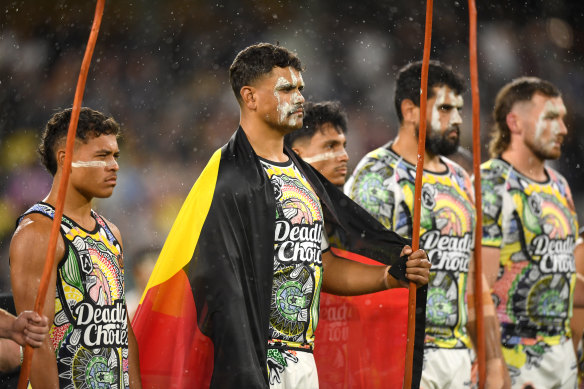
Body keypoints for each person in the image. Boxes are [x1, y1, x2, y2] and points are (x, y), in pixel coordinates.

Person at [132, 43, 431, 389]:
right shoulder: (227, 178)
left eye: (301, 88)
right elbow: (217, 282)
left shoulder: (304, 178)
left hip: (303, 358)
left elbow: (321, 264)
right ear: (250, 97)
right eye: (286, 89)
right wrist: (243, 367)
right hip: (255, 361)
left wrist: (387, 277)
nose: (300, 97)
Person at [345, 60, 510, 388]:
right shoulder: (376, 177)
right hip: (403, 352)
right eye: (446, 108)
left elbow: (475, 279)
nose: (458, 120)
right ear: (410, 110)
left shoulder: (462, 180)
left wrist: (492, 360)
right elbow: (358, 272)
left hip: (459, 356)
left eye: (460, 109)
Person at [9, 107, 142, 388]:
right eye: (102, 156)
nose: (114, 165)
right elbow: (38, 341)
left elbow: (122, 330)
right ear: (65, 158)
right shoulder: (38, 232)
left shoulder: (111, 232)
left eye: (115, 156)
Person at [480, 77, 578, 388]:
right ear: (515, 122)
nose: (563, 128)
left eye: (562, 118)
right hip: (516, 357)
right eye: (550, 117)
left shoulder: (560, 185)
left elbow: (568, 275)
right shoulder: (491, 183)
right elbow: (478, 288)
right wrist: (494, 365)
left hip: (562, 358)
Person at [283, 100, 349, 187]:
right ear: (296, 156)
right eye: (330, 146)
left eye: (343, 146)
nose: (345, 157)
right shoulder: (272, 198)